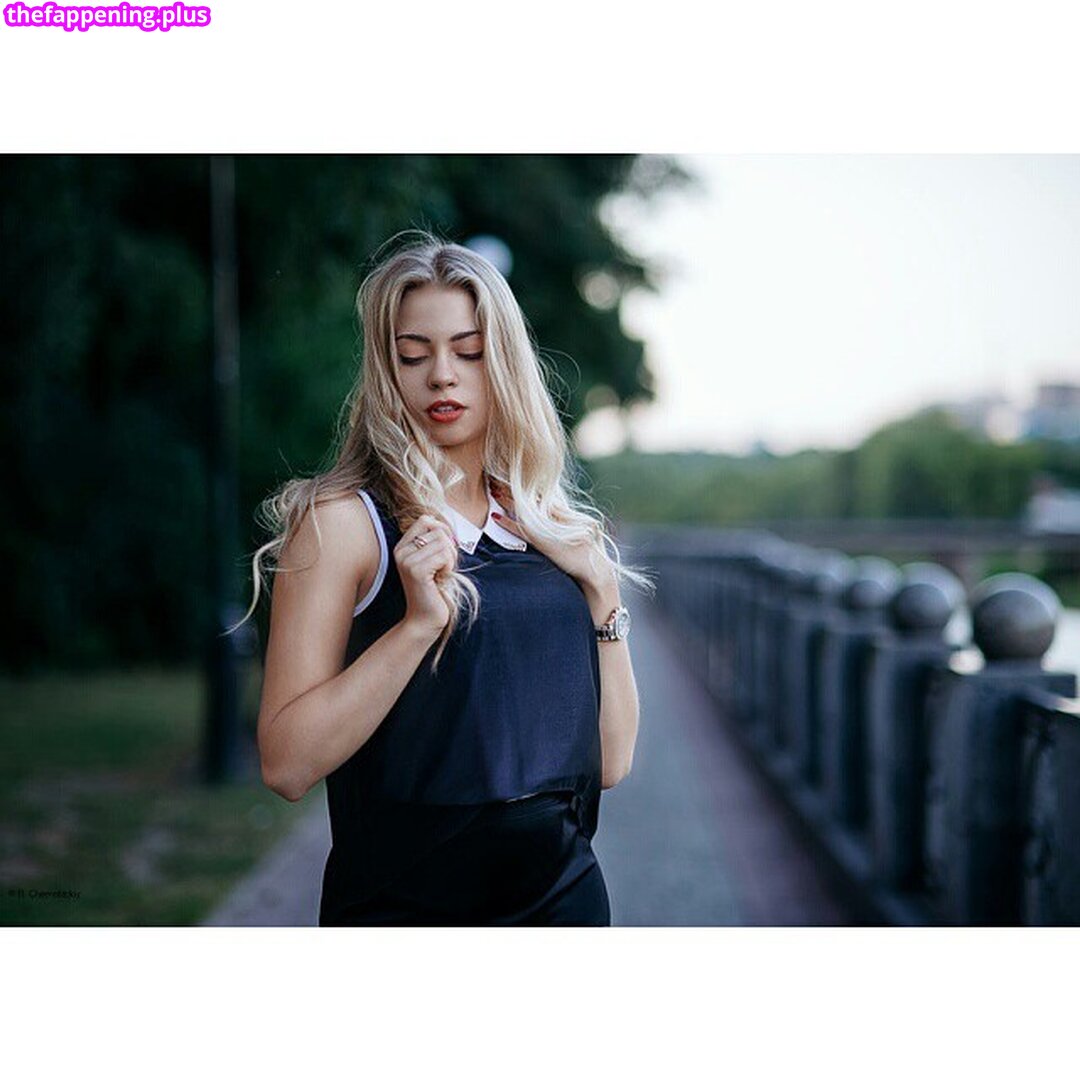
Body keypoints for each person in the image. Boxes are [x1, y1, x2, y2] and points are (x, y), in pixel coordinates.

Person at [241, 230, 653, 926]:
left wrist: (604, 596)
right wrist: (418, 626)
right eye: (414, 354)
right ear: (386, 367)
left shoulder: (548, 526)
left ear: (505, 363)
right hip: (406, 906)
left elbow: (610, 761)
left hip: (565, 900)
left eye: (469, 351)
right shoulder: (344, 522)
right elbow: (286, 764)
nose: (441, 375)